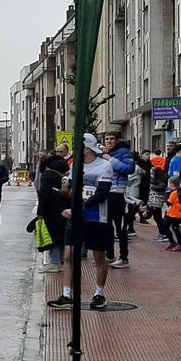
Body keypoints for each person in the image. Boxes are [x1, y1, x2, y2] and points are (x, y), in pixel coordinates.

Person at [48, 133, 113, 311]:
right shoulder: (76, 165)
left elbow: (102, 193)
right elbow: (69, 189)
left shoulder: (105, 166)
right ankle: (67, 295)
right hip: (76, 216)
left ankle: (99, 293)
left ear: (87, 149)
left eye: (78, 147)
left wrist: (78, 207)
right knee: (68, 255)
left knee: (99, 256)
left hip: (97, 217)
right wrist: (64, 189)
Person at [101, 131, 136, 268]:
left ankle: (124, 258)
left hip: (118, 193)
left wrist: (111, 160)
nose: (109, 141)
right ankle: (110, 255)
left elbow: (129, 168)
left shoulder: (123, 152)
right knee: (107, 226)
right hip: (106, 192)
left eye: (112, 139)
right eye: (107, 139)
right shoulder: (104, 154)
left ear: (117, 140)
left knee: (120, 227)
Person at [36, 157, 69, 272]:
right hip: (64, 208)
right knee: (61, 234)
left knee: (52, 235)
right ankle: (60, 260)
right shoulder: (63, 176)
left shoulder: (47, 175)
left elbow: (44, 194)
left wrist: (40, 212)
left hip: (51, 209)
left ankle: (54, 262)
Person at [163, 176, 181, 251]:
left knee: (174, 228)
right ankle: (173, 242)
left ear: (172, 184)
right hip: (172, 213)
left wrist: (166, 196)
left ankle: (179, 244)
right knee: (167, 227)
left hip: (176, 214)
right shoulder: (178, 191)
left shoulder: (174, 193)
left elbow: (169, 202)